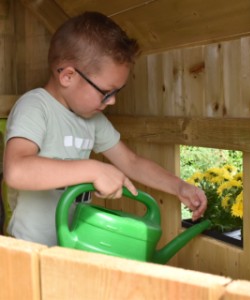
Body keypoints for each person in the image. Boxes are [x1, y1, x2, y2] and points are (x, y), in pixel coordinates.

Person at [3, 11, 207, 246]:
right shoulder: (35, 107)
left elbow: (131, 162)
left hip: (73, 247)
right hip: (28, 250)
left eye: (116, 92)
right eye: (106, 92)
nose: (112, 101)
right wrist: (92, 169)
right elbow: (17, 171)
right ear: (68, 76)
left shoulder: (92, 119)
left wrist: (179, 186)